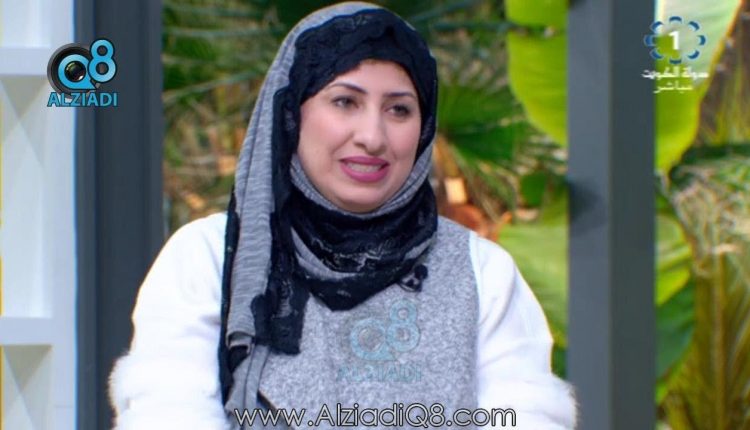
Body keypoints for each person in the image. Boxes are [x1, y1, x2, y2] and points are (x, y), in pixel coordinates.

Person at [108, 2, 577, 429]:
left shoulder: (480, 270)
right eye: (345, 102)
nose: (372, 136)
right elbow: (170, 414)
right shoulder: (209, 258)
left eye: (399, 109)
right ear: (292, 112)